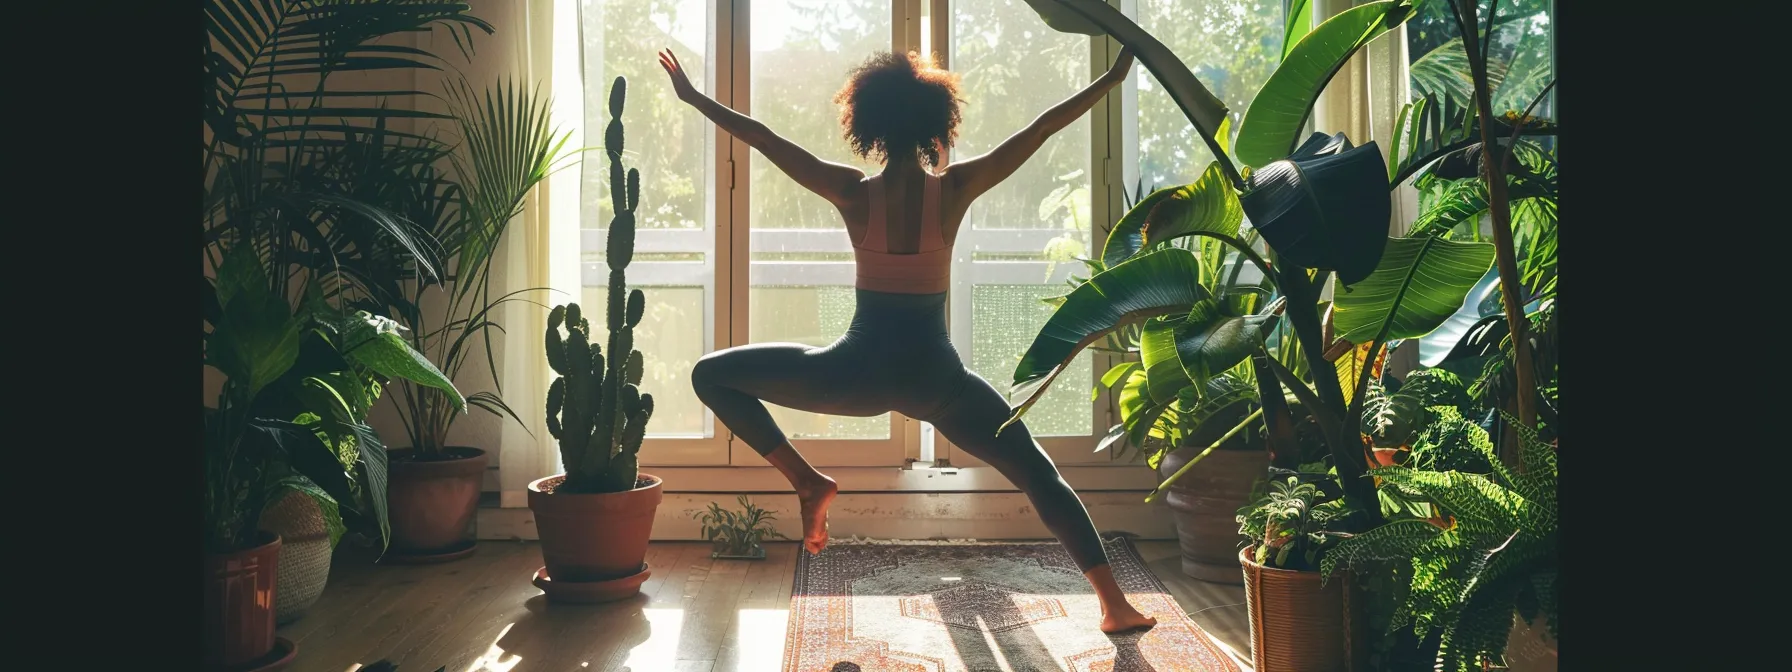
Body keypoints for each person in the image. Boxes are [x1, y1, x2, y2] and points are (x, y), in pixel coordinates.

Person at [659, 46, 1155, 633]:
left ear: (866, 124)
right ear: (935, 125)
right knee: (1039, 473)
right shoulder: (955, 189)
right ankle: (1113, 605)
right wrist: (1112, 77)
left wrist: (694, 98)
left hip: (854, 373)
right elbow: (1041, 127)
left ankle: (807, 481)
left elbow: (765, 139)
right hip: (936, 383)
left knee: (710, 375)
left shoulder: (850, 192)